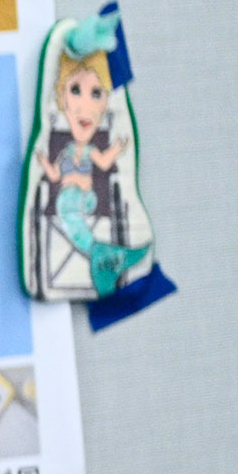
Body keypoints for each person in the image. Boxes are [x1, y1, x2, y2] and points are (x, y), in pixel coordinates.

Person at [39, 49, 148, 295]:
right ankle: (103, 256)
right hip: (67, 202)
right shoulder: (65, 152)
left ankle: (102, 256)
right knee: (69, 216)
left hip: (85, 200)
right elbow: (54, 176)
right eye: (75, 91)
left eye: (96, 94)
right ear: (63, 100)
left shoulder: (89, 150)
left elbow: (105, 163)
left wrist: (116, 149)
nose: (85, 107)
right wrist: (44, 162)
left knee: (70, 214)